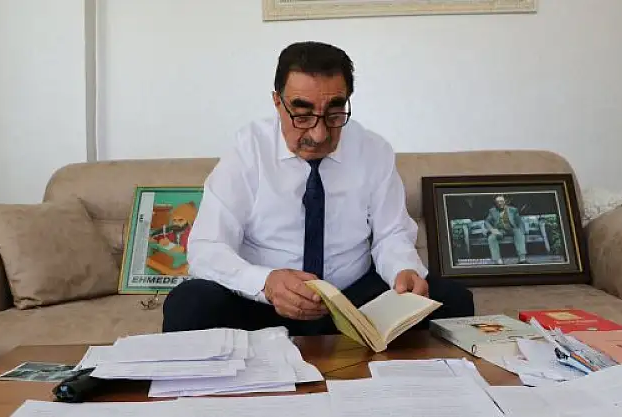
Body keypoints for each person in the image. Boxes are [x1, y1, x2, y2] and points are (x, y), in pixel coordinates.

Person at [161, 41, 474, 336]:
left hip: (351, 301)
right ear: (277, 102)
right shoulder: (249, 150)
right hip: (265, 301)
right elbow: (207, 247)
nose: (320, 134)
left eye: (334, 114)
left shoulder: (372, 150)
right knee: (189, 303)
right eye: (302, 114)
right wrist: (265, 282)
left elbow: (391, 234)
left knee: (452, 299)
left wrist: (403, 270)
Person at [484, 195, 527, 264]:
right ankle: (498, 260)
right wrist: (492, 229)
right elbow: (487, 222)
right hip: (500, 230)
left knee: (519, 233)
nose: (499, 203)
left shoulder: (513, 210)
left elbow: (519, 221)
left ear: (505, 202)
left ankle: (522, 258)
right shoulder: (492, 211)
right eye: (497, 202)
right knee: (491, 238)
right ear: (495, 203)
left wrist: (522, 231)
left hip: (512, 229)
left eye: (501, 201)